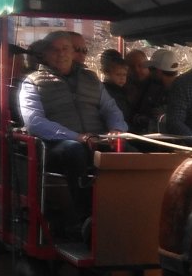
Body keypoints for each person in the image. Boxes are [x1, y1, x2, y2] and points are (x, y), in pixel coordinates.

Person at [19, 31, 127, 237]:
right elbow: (34, 122)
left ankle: (129, 208)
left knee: (129, 149)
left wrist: (117, 130)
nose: (61, 54)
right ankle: (85, 217)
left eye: (65, 49)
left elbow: (111, 109)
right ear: (45, 54)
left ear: (72, 51)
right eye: (55, 50)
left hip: (97, 139)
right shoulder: (32, 82)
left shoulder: (91, 79)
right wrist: (75, 136)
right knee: (74, 151)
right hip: (58, 145)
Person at [131, 49, 179, 134]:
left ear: (158, 71)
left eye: (150, 69)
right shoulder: (152, 88)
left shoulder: (182, 93)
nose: (149, 72)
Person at [101, 56, 131, 124]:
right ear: (107, 74)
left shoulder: (123, 91)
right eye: (118, 74)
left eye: (124, 75)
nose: (122, 78)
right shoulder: (105, 91)